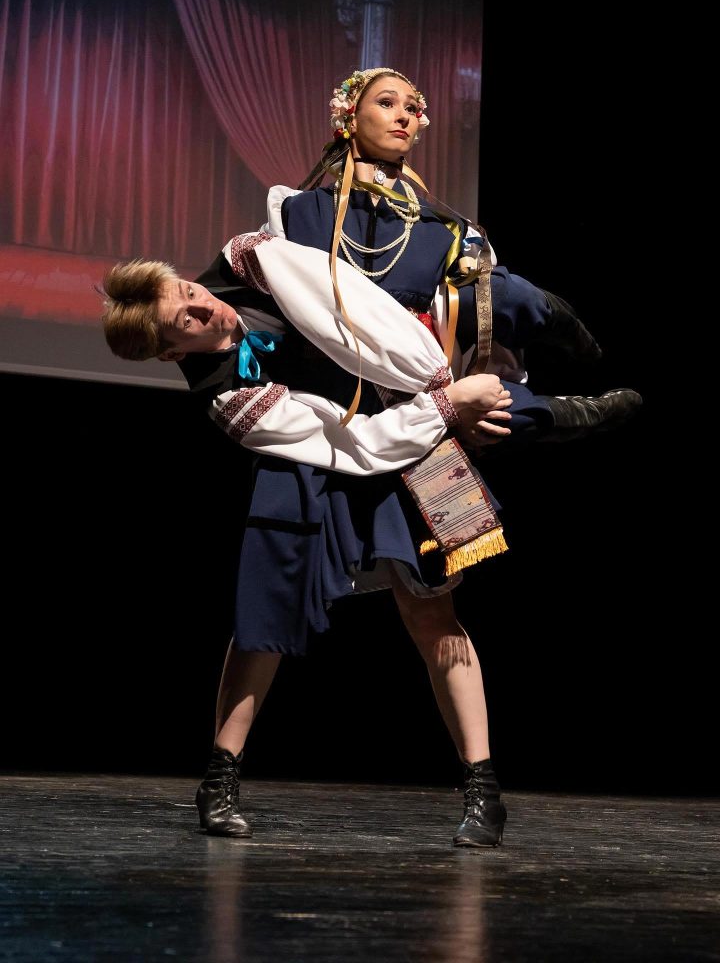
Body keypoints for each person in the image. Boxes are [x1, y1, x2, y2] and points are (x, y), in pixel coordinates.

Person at [102, 67, 641, 848]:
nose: (200, 302)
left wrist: (457, 377)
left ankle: (484, 790)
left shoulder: (257, 257)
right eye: (185, 317)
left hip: (406, 411)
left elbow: (382, 305)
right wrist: (444, 408)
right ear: (167, 350)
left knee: (433, 609)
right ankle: (219, 777)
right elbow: (343, 440)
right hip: (322, 457)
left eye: (188, 289)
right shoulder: (230, 393)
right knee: (265, 614)